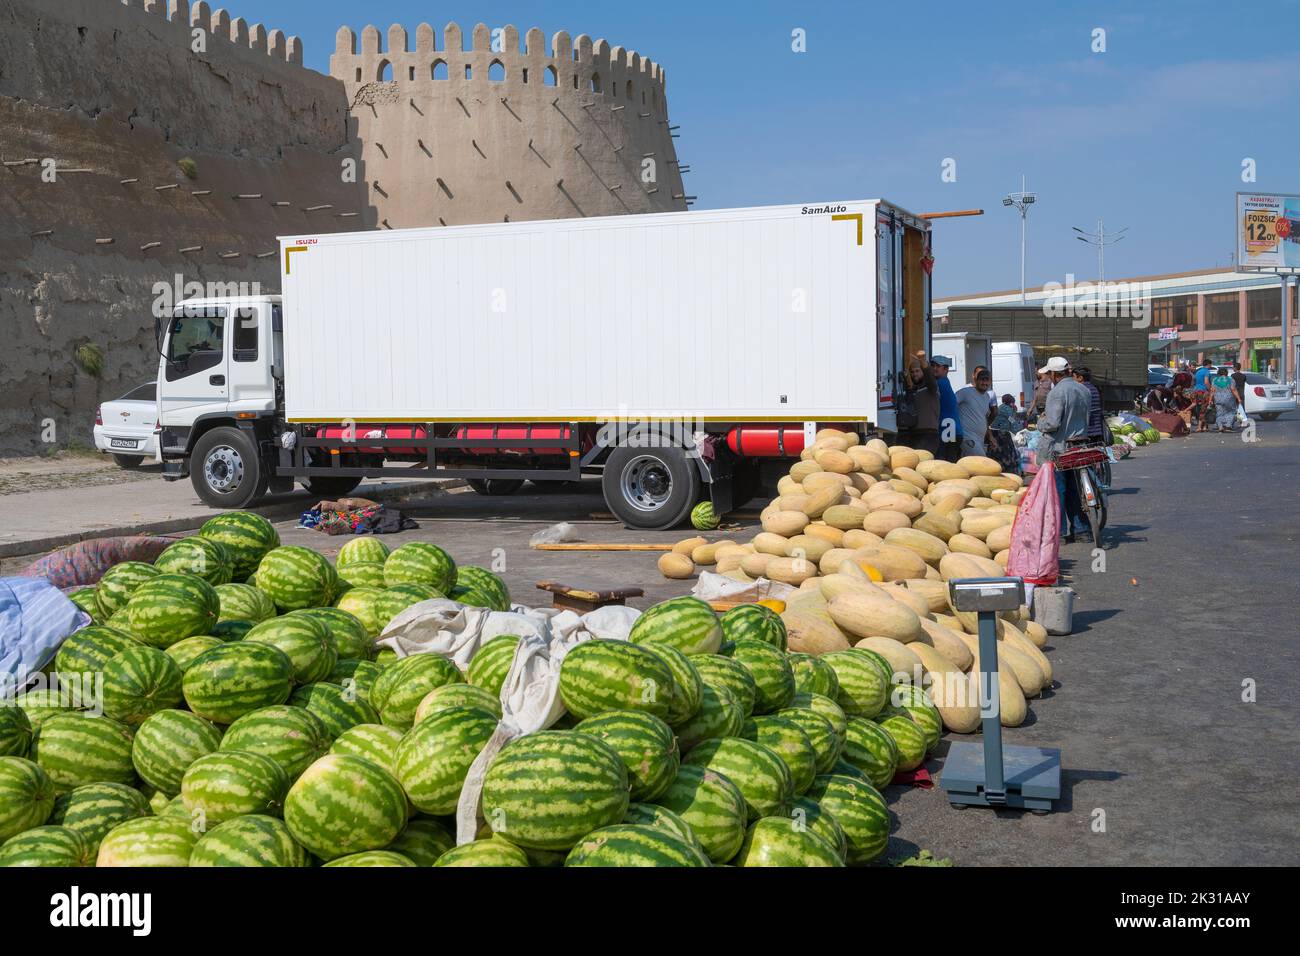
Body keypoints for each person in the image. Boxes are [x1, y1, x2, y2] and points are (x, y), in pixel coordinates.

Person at [1035, 356, 1092, 541]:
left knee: (1058, 490)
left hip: (1060, 448)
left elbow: (1052, 423)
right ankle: (1082, 530)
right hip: (1080, 445)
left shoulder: (1057, 392)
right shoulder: (1083, 389)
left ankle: (1058, 532)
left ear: (1053, 374)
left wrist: (1040, 423)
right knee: (1076, 489)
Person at [899, 350, 940, 454]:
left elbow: (930, 378)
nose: (914, 374)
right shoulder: (913, 390)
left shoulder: (931, 388)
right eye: (912, 372)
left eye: (917, 371)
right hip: (913, 433)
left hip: (929, 434)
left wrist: (923, 362)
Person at [954, 368, 994, 458]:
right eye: (982, 380)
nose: (984, 383)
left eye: (987, 380)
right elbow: (950, 404)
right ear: (976, 380)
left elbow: (984, 419)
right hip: (967, 437)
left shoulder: (987, 397)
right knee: (982, 461)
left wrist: (990, 436)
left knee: (969, 467)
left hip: (980, 439)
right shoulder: (965, 392)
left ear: (990, 382)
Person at [932, 355, 962, 462]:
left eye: (938, 366)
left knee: (944, 464)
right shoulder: (945, 381)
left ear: (946, 369)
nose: (934, 368)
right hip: (952, 430)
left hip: (948, 430)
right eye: (933, 365)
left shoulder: (941, 383)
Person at [1073, 366, 1104, 440]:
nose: (1072, 380)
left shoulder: (1082, 390)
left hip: (1088, 431)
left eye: (1073, 377)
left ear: (1080, 378)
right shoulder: (1093, 387)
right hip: (1096, 429)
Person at [1210, 366, 1241, 432]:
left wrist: (1210, 399)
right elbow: (1233, 389)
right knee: (1230, 412)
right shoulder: (1230, 379)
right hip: (1229, 399)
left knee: (1219, 413)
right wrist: (1238, 398)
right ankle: (1228, 426)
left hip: (1218, 398)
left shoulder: (1215, 380)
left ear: (1219, 373)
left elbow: (1212, 390)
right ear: (1226, 373)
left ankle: (1220, 427)